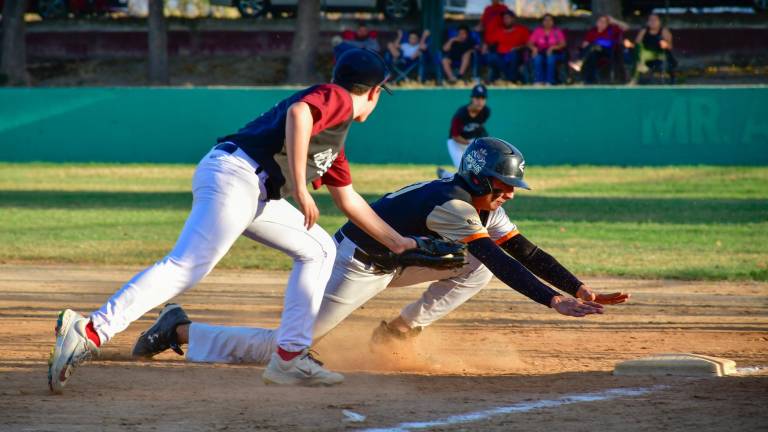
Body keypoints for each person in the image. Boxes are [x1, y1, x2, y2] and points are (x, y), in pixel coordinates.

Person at [47, 48, 420, 393]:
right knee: (187, 266)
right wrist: (301, 189)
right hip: (237, 177)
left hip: (249, 187)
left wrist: (400, 243)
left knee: (319, 249)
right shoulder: (337, 98)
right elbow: (299, 113)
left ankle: (289, 358)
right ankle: (91, 330)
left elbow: (348, 199)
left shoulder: (333, 142)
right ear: (374, 92)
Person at [130, 138, 630, 368]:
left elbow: (521, 250)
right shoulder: (456, 206)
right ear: (480, 180)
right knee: (286, 350)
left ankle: (400, 330)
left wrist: (578, 287)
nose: (510, 194)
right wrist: (551, 300)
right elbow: (504, 263)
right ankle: (179, 329)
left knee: (475, 263)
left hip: (398, 261)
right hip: (355, 264)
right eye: (504, 185)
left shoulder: (480, 205)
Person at [437, 84, 490, 179]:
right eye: (477, 98)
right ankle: (446, 176)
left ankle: (445, 175)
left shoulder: (485, 111)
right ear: (472, 98)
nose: (480, 101)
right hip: (456, 143)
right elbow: (455, 136)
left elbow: (479, 128)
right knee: (464, 174)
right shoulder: (461, 114)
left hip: (471, 142)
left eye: (483, 98)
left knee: (478, 172)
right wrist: (471, 144)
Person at [571, 15, 629, 84]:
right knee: (592, 54)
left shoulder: (612, 30)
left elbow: (626, 27)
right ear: (597, 22)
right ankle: (590, 81)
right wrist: (587, 46)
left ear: (607, 24)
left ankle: (580, 62)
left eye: (604, 22)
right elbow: (585, 44)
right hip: (595, 52)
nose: (601, 23)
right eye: (600, 21)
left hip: (608, 51)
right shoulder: (592, 31)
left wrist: (614, 21)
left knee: (594, 46)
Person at [630, 13, 677, 84]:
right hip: (645, 55)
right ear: (647, 22)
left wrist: (665, 44)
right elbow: (636, 43)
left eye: (655, 20)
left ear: (659, 21)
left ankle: (645, 71)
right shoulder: (644, 30)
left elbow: (670, 47)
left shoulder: (664, 31)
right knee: (638, 55)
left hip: (660, 55)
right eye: (650, 20)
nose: (652, 22)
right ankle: (635, 78)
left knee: (666, 61)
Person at [485, 11, 530, 83]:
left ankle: (509, 79)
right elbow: (489, 41)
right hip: (501, 55)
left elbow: (528, 44)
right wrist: (485, 46)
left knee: (513, 55)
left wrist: (518, 48)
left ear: (513, 19)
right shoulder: (499, 31)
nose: (505, 20)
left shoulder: (522, 30)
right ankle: (512, 79)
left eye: (508, 18)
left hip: (516, 54)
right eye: (504, 18)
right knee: (492, 57)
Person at [528, 14, 567, 85]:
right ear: (542, 22)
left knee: (550, 59)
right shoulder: (538, 31)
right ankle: (539, 81)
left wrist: (553, 48)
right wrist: (534, 48)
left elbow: (563, 44)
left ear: (553, 22)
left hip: (555, 53)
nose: (547, 22)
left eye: (550, 20)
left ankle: (549, 81)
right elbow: (530, 43)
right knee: (537, 59)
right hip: (541, 52)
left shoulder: (557, 31)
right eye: (545, 20)